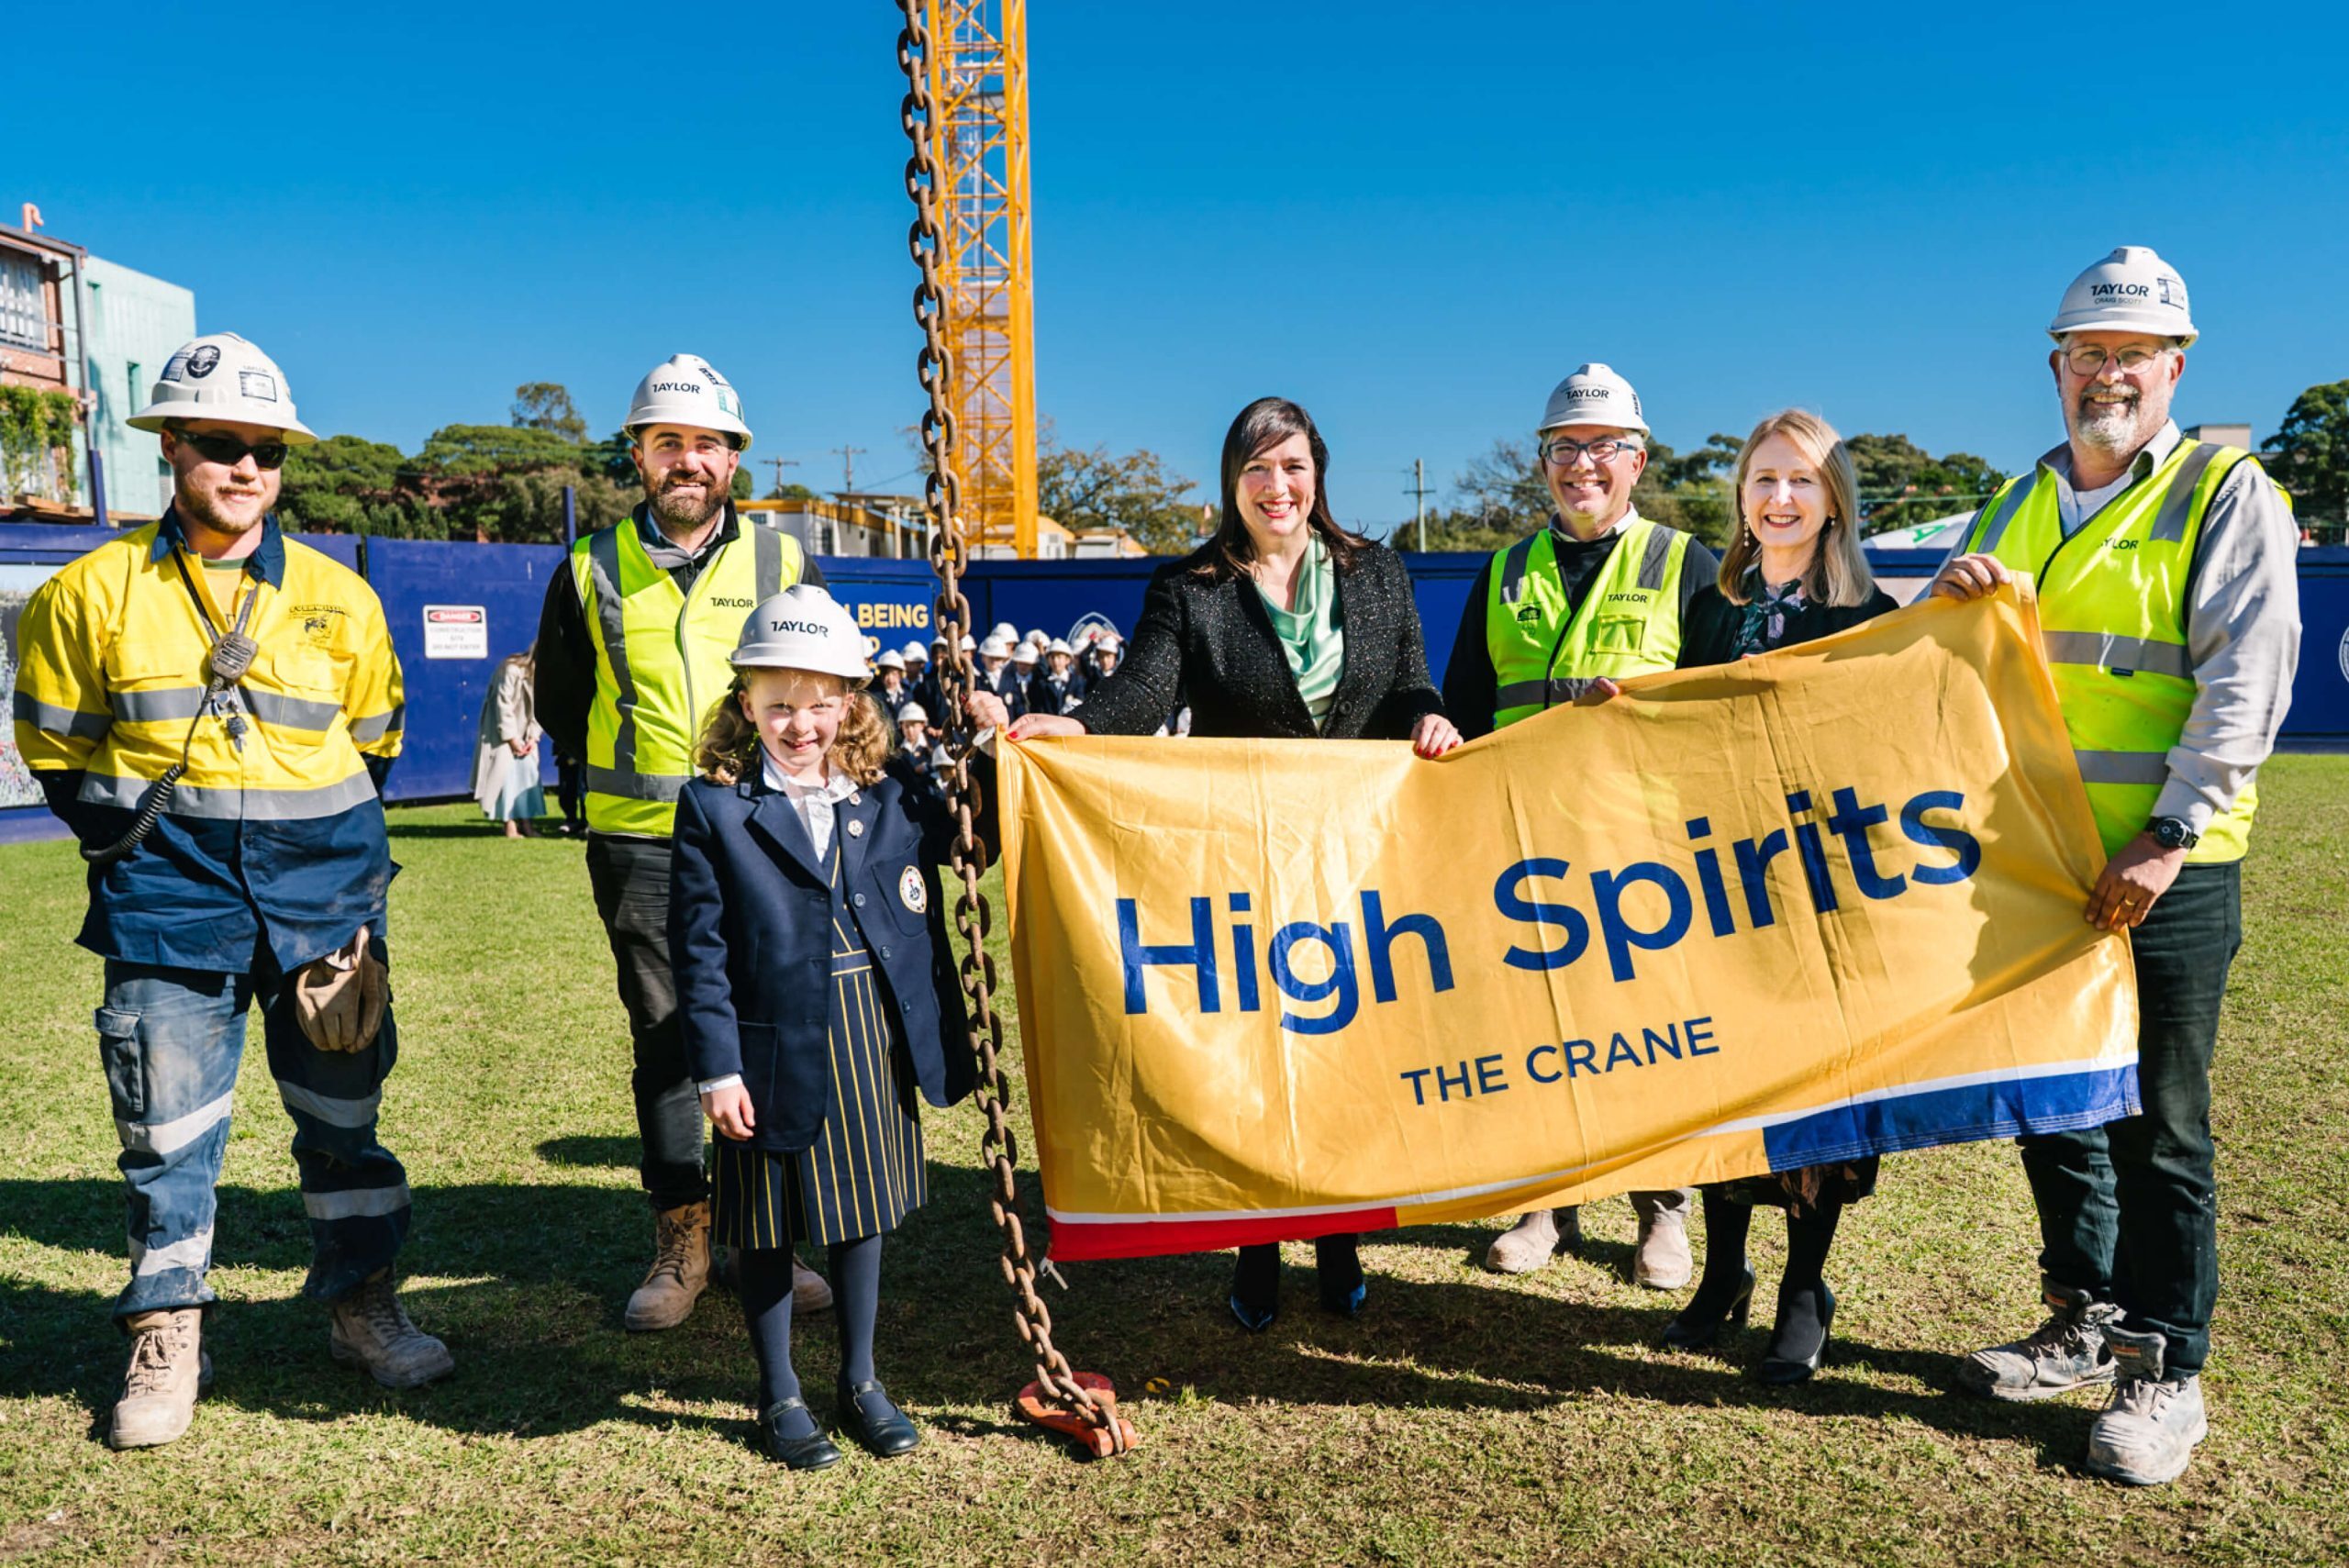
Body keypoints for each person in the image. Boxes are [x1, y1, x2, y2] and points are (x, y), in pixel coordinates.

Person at [12, 333, 451, 1450]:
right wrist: (153, 852)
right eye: (219, 443)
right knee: (168, 1132)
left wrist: (320, 867)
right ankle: (166, 1333)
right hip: (168, 901)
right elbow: (58, 754)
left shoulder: (340, 598)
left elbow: (376, 744)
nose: (245, 466)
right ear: (170, 444)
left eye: (266, 449)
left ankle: (361, 1303)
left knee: (345, 1124)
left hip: (325, 904)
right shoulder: (89, 592)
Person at [1931, 248, 2299, 1485]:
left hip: (2166, 870)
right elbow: (1956, 653)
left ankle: (2165, 1366)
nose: (2107, 375)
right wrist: (1956, 591)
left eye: (2131, 355)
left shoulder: (2225, 491)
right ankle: (2082, 1314)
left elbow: (2247, 685)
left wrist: (2169, 834)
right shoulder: (2021, 495)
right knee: (2057, 1104)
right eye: (2087, 354)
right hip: (2039, 867)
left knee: (2161, 1126)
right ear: (2056, 367)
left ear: (2173, 366)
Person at [1009, 395, 1462, 1329]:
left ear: (1317, 473)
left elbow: (1410, 677)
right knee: (1260, 1064)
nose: (1276, 485)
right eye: (1257, 468)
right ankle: (1256, 1249)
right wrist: (1078, 723)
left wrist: (1428, 712)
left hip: (1355, 856)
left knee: (1348, 1061)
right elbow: (1143, 692)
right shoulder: (1192, 587)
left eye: (1291, 466)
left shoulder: (1377, 573)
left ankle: (1342, 1240)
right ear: (1233, 481)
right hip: (1245, 864)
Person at [1580, 410, 1897, 1383]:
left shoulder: (1871, 615)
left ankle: (1805, 1286)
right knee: (1720, 1078)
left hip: (1822, 889)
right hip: (1717, 882)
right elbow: (1684, 727)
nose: (1779, 497)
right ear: (1740, 496)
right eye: (1762, 479)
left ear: (1832, 494)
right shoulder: (1715, 607)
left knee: (1814, 1096)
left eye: (1800, 479)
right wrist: (1625, 707)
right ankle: (1721, 1275)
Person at [669, 586, 1008, 1468]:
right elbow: (697, 953)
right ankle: (779, 1390)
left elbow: (972, 845)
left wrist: (991, 756)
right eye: (778, 703)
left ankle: (860, 1380)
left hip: (870, 1026)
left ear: (849, 703)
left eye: (820, 703)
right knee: (771, 1225)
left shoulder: (887, 790)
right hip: (768, 1041)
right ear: (746, 702)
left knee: (862, 1213)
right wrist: (717, 1069)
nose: (799, 723)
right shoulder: (714, 807)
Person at [534, 353, 833, 1331]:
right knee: (668, 1038)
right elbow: (563, 703)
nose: (687, 461)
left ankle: (763, 1240)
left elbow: (825, 687)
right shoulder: (585, 568)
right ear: (638, 453)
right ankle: (684, 1236)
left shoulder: (783, 562)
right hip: (640, 840)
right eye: (668, 442)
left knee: (763, 1026)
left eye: (706, 443)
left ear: (733, 458)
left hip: (761, 832)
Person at [1441, 363, 1718, 1291]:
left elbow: (1722, 712)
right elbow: (1469, 706)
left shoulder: (1688, 563)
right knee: (1542, 1036)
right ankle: (1545, 1204)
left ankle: (1661, 1210)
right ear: (1542, 461)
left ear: (1636, 459)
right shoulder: (1504, 569)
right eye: (1565, 447)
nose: (1582, 464)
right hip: (1528, 847)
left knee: (1652, 1035)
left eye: (1602, 447)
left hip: (1643, 849)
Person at [473, 646, 546, 838]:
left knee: (528, 774)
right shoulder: (511, 669)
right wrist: (511, 738)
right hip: (500, 732)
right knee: (506, 777)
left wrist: (533, 736)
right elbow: (502, 704)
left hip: (524, 734)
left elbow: (542, 708)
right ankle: (510, 825)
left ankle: (527, 823)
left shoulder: (546, 675)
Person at [975, 634, 1028, 720]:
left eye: (998, 658)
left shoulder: (1011, 680)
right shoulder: (977, 681)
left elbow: (1019, 707)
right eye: (990, 657)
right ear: (983, 657)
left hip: (1008, 729)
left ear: (1003, 659)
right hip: (985, 730)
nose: (994, 661)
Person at [1035, 638, 1084, 716]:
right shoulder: (1043, 683)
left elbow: (1080, 704)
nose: (1055, 661)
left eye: (1059, 657)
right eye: (1052, 657)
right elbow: (1039, 708)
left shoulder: (1077, 681)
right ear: (1048, 660)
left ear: (1067, 660)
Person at [874, 649, 908, 714]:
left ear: (900, 675)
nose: (890, 679)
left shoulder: (907, 695)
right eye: (886, 674)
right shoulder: (874, 695)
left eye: (894, 674)